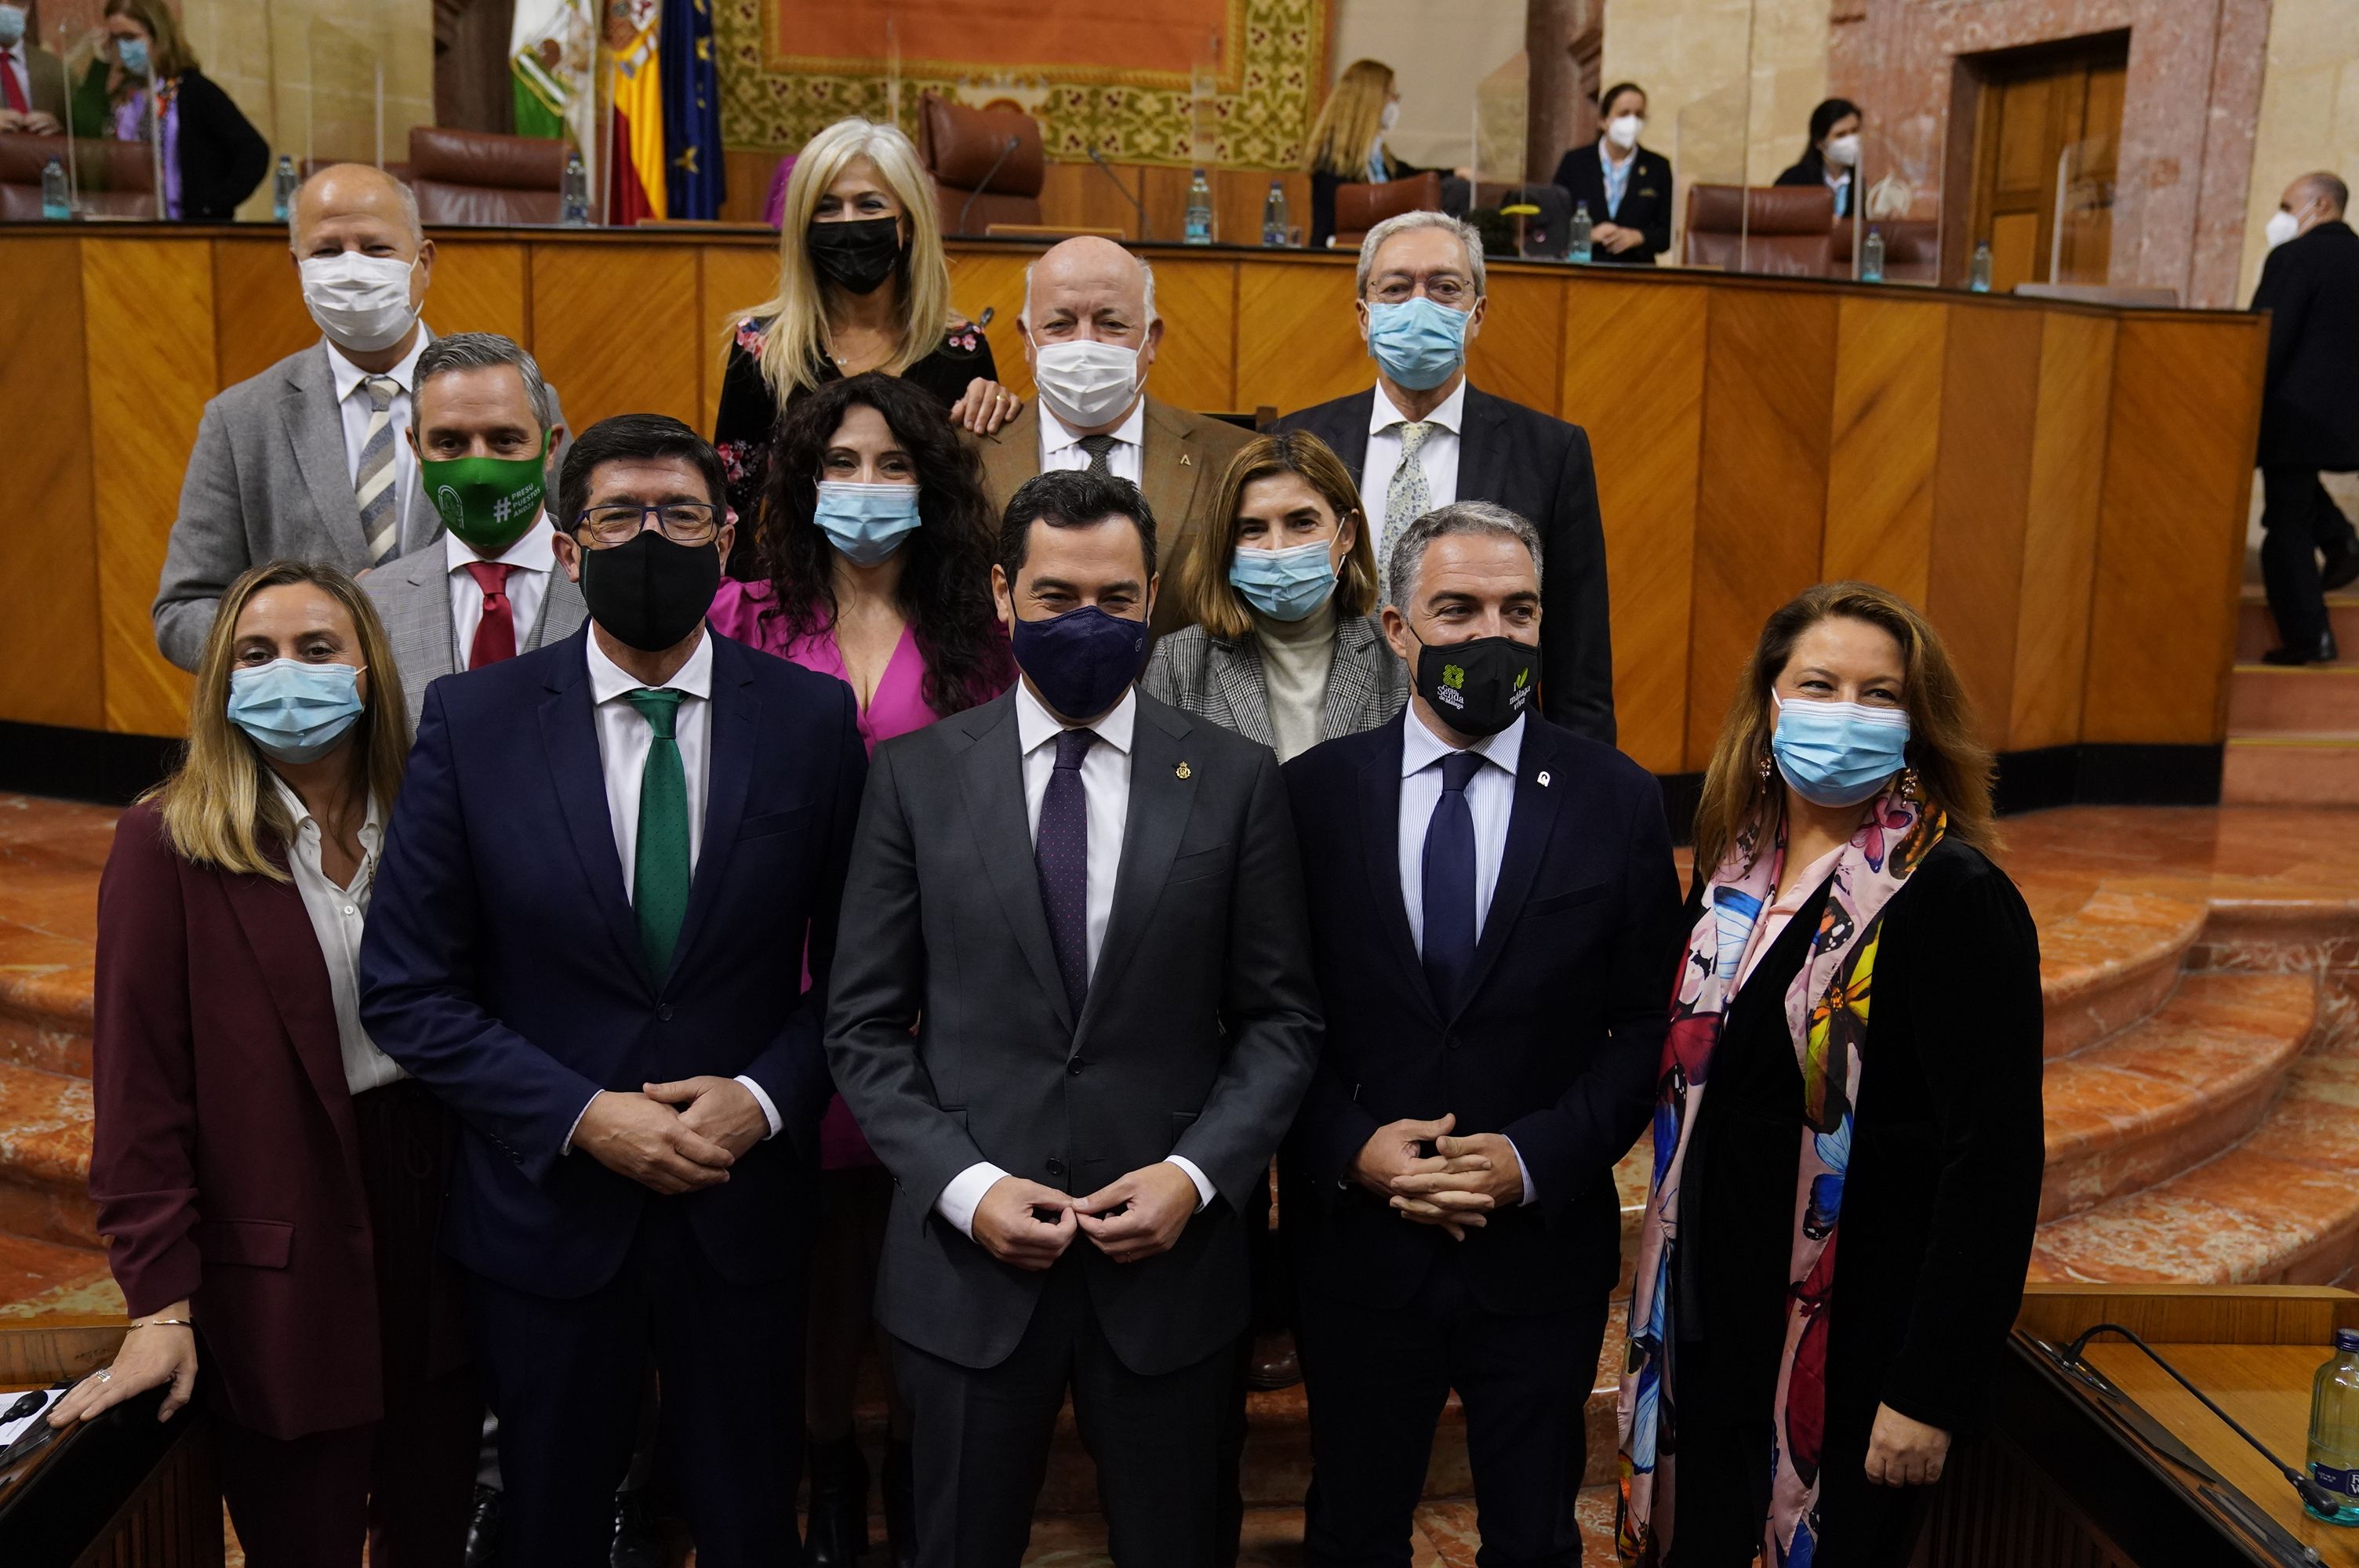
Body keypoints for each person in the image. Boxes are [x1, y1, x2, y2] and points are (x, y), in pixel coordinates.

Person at [357, 414, 867, 1567]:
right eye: (619, 516)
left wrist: (766, 1097)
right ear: (567, 546)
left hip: (744, 1210)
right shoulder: (473, 724)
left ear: (726, 538)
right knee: (551, 1521)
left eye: (681, 515)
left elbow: (864, 973)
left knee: (747, 1523)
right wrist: (584, 1117)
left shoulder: (809, 721)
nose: (652, 537)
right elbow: (406, 986)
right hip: (549, 1215)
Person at [825, 468, 1321, 1568]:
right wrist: (968, 1187)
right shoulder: (913, 778)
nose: (1086, 623)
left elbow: (1281, 1021)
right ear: (1003, 593)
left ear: (1155, 600)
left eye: (1116, 598)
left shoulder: (1234, 780)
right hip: (967, 1269)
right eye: (1056, 597)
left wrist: (1194, 1178)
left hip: (1171, 1271)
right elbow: (862, 1026)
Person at [1281, 501, 1680, 1568]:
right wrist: (1350, 1148)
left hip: (1538, 1252)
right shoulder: (1310, 799)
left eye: (1518, 609)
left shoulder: (1618, 799)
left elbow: (1648, 1021)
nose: (1489, 635)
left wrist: (1529, 1157)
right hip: (1360, 1247)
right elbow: (1274, 1018)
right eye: (1456, 609)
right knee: (1354, 1530)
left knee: (1535, 1536)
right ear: (1395, 627)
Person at [1616, 582, 2045, 1566]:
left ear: (1913, 721)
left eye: (1875, 693)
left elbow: (1991, 1171)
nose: (1843, 714)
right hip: (1710, 1329)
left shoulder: (1952, 894)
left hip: (1851, 1361)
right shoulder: (1731, 867)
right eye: (1819, 683)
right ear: (1770, 703)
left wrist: (1924, 1392)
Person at [59, 560, 478, 1564]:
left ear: (368, 670)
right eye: (257, 653)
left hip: (438, 1202)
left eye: (317, 649)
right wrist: (160, 1300)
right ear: (223, 680)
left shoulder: (430, 813)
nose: (287, 672)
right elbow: (138, 1092)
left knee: (432, 1513)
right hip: (281, 1229)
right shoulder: (167, 843)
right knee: (307, 1534)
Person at [708, 368, 1013, 1568]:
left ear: (933, 486)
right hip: (778, 970)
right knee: (815, 1237)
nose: (868, 487)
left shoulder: (981, 640)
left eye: (893, 464)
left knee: (920, 1222)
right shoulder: (742, 615)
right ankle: (825, 1455)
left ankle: (909, 1456)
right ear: (801, 481)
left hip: (947, 978)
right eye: (841, 464)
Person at [154, 164, 571, 671]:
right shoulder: (240, 421)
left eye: (375, 249)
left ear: (425, 262)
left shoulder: (517, 404)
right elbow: (183, 612)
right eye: (327, 251)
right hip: (319, 735)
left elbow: (573, 558)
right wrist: (295, 647)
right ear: (297, 267)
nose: (352, 270)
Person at [1275, 212, 1616, 744]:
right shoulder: (1297, 440)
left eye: (1444, 288)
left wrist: (1587, 799)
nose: (1419, 305)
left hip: (1487, 743)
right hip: (1321, 741)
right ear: (1364, 317)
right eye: (1396, 288)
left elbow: (1579, 657)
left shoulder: (1551, 452)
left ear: (1476, 313)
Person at [714, 116, 1020, 564]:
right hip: (794, 592)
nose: (849, 222)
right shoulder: (763, 346)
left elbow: (978, 499)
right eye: (828, 207)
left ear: (909, 222)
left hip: (931, 595)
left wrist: (998, 410)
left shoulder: (960, 349)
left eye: (870, 204)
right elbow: (731, 505)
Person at [973, 236, 1253, 639]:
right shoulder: (968, 453)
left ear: (1151, 339)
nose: (1085, 343)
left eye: (1111, 324)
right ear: (1026, 339)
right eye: (1059, 325)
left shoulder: (1229, 457)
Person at [363, 332, 584, 730]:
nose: (479, 473)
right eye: (450, 443)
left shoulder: (611, 586)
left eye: (504, 440)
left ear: (550, 449)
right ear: (416, 451)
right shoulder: (371, 605)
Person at [1144, 430, 1405, 761]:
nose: (1278, 548)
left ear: (1347, 533)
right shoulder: (1180, 662)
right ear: (1226, 544)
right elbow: (1161, 794)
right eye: (1253, 529)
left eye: (1302, 523)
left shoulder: (1396, 657)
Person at [2249, 171, 2359, 665]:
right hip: (2348, 418)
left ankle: (2308, 635)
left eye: (2287, 206)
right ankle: (2341, 541)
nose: (2281, 217)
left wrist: (2245, 396)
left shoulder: (2293, 259)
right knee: (2298, 490)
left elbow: (2265, 341)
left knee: (2285, 522)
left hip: (2294, 416)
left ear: (2318, 206)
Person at [67, 0, 264, 220]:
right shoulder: (123, 97)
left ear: (157, 37)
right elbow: (81, 129)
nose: (122, 47)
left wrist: (213, 204)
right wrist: (101, 65)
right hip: (128, 222)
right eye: (115, 39)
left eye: (130, 38)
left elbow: (253, 151)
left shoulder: (192, 90)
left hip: (186, 227)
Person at [1304, 59, 1428, 250]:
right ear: (1370, 100)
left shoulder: (1381, 158)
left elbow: (1414, 177)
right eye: (1391, 94)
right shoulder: (1332, 164)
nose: (1396, 102)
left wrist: (1457, 172)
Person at [1550, 82, 1672, 264]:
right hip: (1584, 267)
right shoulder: (1575, 162)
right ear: (1603, 120)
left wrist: (1638, 237)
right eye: (1624, 114)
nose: (1632, 122)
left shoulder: (1657, 167)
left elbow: (1667, 234)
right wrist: (1587, 234)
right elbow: (1553, 222)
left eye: (1639, 115)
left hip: (1636, 272)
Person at [1775, 97, 1863, 220]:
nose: (1851, 141)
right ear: (1820, 143)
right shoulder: (1794, 180)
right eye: (1841, 135)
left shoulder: (1857, 181)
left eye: (1854, 131)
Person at [0, 2, 69, 135]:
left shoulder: (54, 67)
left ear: (28, 7)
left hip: (38, 153)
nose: (5, 7)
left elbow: (82, 130)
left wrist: (58, 129)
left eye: (15, 0)